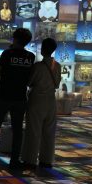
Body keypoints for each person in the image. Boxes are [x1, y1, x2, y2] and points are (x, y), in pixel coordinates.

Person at [0, 28, 35, 168]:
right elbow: (29, 77)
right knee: (17, 130)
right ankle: (14, 160)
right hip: (20, 97)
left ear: (15, 39)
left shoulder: (7, 53)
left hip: (3, 95)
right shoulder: (30, 56)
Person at [21, 38, 62, 168]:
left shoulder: (37, 66)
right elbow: (57, 84)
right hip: (51, 100)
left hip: (36, 100)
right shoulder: (57, 66)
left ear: (43, 49)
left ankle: (30, 159)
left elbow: (29, 82)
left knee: (33, 131)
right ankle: (46, 160)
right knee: (49, 132)